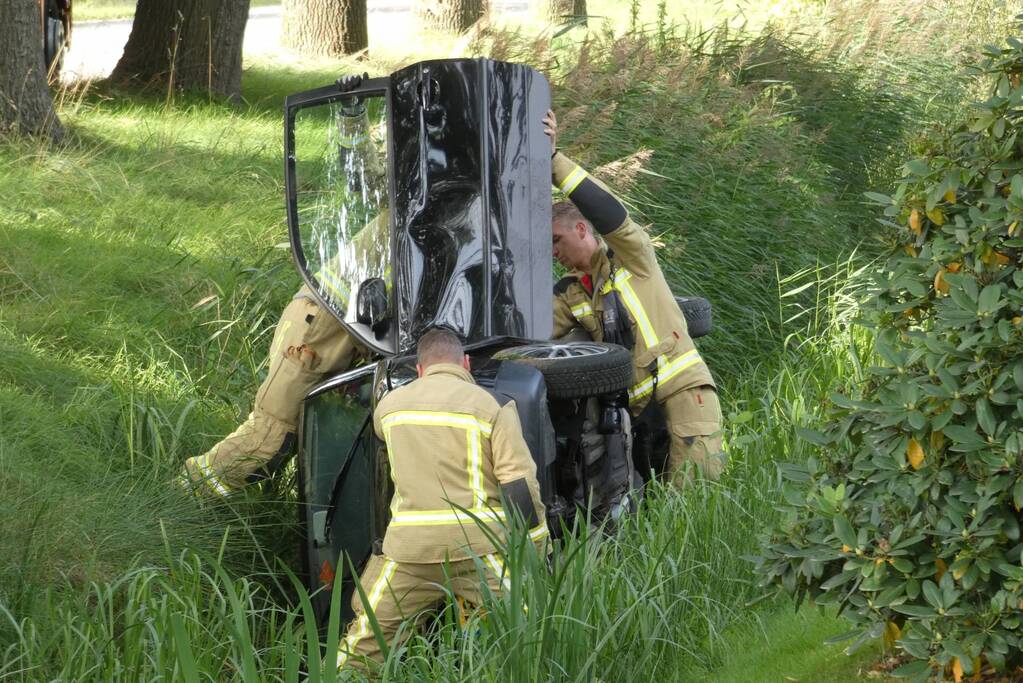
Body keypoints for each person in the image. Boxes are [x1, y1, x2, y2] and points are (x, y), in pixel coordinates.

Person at [180, 75, 384, 496]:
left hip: (359, 333)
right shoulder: (422, 191)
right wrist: (352, 115)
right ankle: (184, 495)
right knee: (270, 440)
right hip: (322, 323)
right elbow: (364, 177)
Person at [338, 327, 548, 673]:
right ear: (464, 363)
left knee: (366, 642)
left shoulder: (388, 409)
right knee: (531, 631)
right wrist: (537, 547)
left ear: (420, 369)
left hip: (409, 553)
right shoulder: (492, 406)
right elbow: (518, 486)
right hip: (480, 549)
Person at [543, 110, 725, 483]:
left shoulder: (631, 258)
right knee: (651, 510)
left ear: (581, 229)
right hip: (637, 416)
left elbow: (611, 214)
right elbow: (532, 333)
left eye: (556, 241)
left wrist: (553, 162)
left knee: (695, 500)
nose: (553, 252)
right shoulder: (572, 292)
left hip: (683, 395)